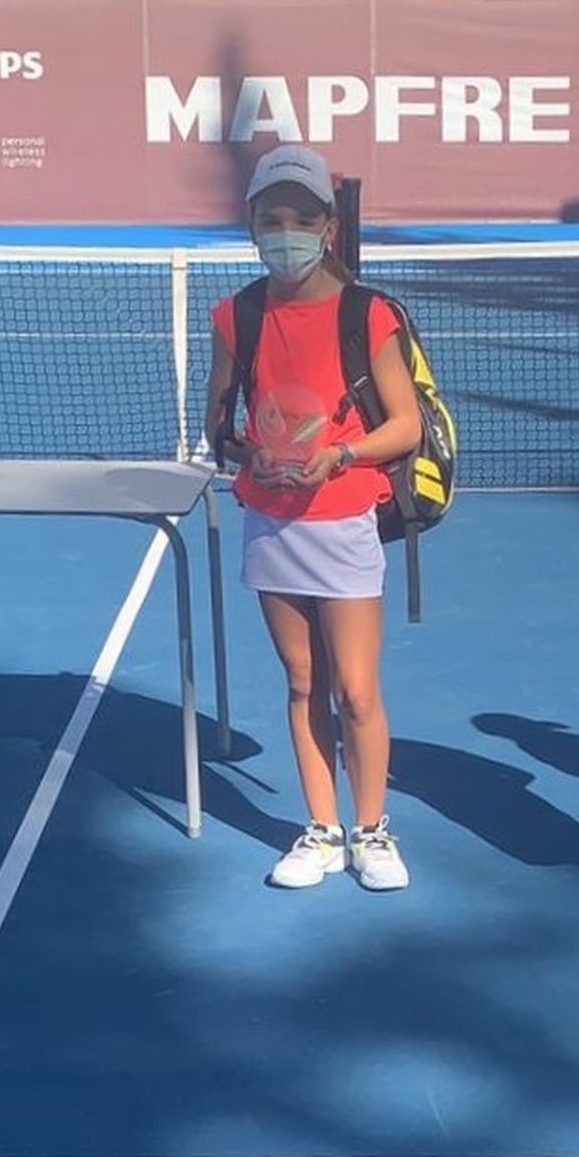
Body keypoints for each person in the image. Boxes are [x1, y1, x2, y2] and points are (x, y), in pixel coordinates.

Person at [204, 147, 421, 890]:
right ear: (252, 226)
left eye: (301, 218)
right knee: (303, 684)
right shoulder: (238, 316)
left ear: (328, 227)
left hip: (344, 521)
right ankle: (322, 830)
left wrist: (342, 454)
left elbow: (406, 428)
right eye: (272, 219)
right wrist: (244, 453)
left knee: (355, 690)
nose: (285, 232)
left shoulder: (368, 313)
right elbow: (219, 424)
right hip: (271, 523)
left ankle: (373, 830)